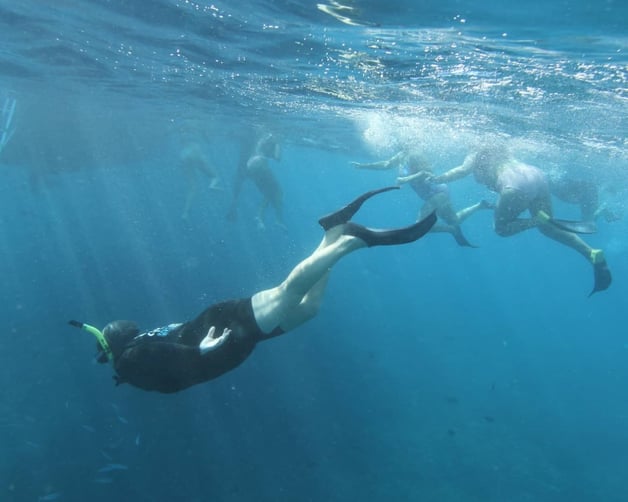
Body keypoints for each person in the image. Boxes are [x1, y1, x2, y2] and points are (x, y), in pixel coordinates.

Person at [70, 187, 436, 393]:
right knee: (308, 309)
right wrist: (196, 349)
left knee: (288, 292)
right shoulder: (135, 349)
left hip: (227, 329)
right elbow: (166, 348)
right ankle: (334, 233)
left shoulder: (131, 359)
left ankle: (353, 241)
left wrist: (196, 350)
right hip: (230, 334)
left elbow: (165, 353)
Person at [425, 144, 611, 295]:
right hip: (536, 175)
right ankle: (591, 253)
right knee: (549, 228)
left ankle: (538, 220)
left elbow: (462, 170)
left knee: (502, 229)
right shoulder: (503, 146)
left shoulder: (475, 149)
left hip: (513, 185)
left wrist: (438, 178)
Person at [352, 150, 492, 246]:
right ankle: (479, 206)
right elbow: (386, 164)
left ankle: (451, 230)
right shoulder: (402, 155)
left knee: (420, 224)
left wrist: (407, 178)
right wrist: (364, 166)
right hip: (430, 195)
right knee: (454, 219)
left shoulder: (416, 155)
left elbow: (427, 173)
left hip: (437, 192)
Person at [227, 131, 284, 230]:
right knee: (276, 191)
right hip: (260, 164)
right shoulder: (273, 140)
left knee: (269, 193)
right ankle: (273, 219)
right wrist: (278, 143)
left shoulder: (264, 139)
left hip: (252, 164)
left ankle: (262, 218)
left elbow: (258, 148)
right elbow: (277, 158)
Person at [180, 142, 223, 220]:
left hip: (184, 156)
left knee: (192, 187)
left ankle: (185, 212)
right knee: (216, 176)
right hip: (196, 154)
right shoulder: (198, 144)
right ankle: (212, 185)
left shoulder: (185, 138)